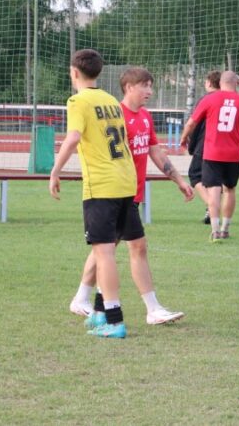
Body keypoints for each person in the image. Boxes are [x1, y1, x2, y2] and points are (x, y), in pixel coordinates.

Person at [69, 67, 194, 327]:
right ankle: (136, 308)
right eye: (144, 86)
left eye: (151, 86)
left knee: (115, 248)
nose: (150, 91)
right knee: (111, 248)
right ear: (129, 87)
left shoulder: (145, 116)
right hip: (115, 193)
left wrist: (179, 181)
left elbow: (155, 152)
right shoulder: (114, 114)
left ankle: (92, 302)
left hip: (131, 194)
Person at [49, 49, 138, 339]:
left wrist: (55, 170)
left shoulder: (78, 101)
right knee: (107, 249)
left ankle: (114, 320)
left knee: (104, 253)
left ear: (74, 72)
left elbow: (73, 137)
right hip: (125, 180)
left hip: (102, 185)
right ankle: (100, 312)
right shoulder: (111, 101)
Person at [181, 70, 239, 241]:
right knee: (230, 190)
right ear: (237, 83)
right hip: (234, 154)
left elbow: (191, 123)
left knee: (214, 190)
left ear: (220, 83)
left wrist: (183, 138)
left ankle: (215, 230)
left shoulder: (209, 99)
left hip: (212, 153)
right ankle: (225, 228)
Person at [184, 70, 220, 224]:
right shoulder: (228, 99)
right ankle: (211, 209)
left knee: (195, 175)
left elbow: (194, 123)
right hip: (224, 146)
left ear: (209, 83)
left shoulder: (206, 99)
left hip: (205, 144)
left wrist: (189, 142)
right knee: (216, 180)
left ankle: (212, 206)